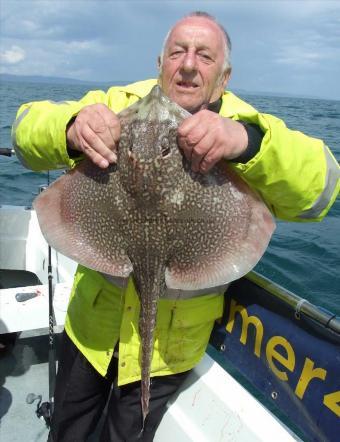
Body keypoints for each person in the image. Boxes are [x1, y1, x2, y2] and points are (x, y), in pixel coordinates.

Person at [12, 11, 339, 442]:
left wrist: (246, 143)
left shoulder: (246, 123)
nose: (188, 64)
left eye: (204, 56)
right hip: (90, 330)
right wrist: (71, 129)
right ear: (160, 63)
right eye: (177, 52)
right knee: (66, 431)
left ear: (224, 77)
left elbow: (322, 188)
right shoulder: (117, 103)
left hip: (171, 348)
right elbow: (24, 130)